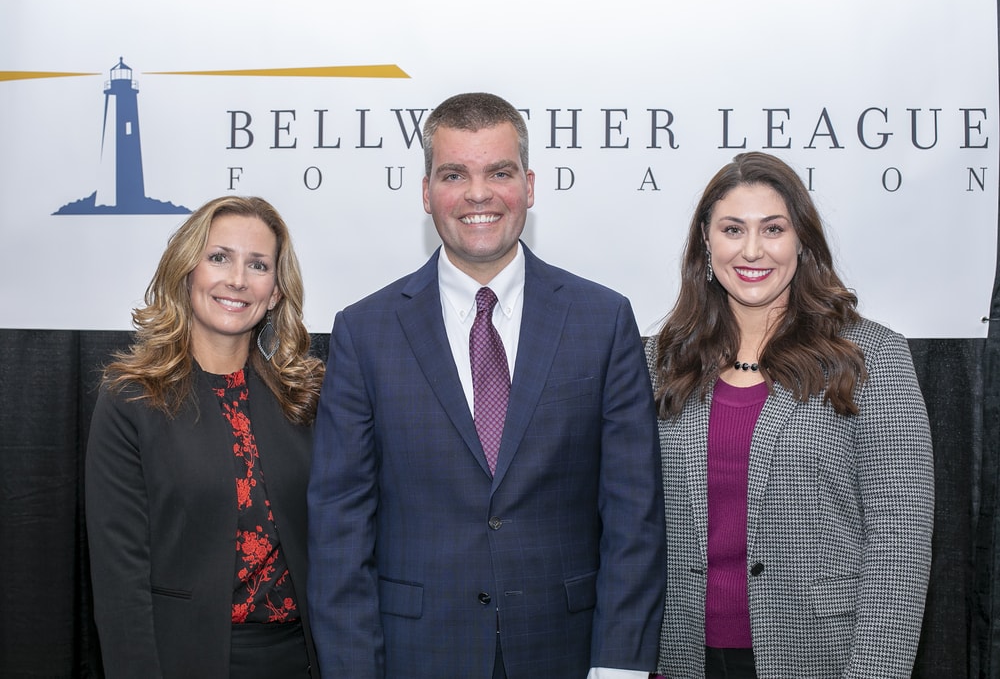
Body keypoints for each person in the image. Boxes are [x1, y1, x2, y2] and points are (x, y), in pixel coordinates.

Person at [307, 92, 666, 679]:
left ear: (528, 184)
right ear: (426, 192)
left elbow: (634, 515)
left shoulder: (602, 320)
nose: (478, 194)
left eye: (498, 172)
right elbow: (339, 529)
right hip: (415, 657)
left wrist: (620, 667)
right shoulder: (364, 332)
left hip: (567, 654)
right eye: (455, 174)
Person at [646, 152, 934, 678]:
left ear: (801, 241)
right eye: (733, 229)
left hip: (819, 654)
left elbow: (900, 545)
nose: (752, 250)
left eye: (772, 229)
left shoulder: (872, 357)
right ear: (706, 244)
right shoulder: (660, 362)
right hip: (677, 655)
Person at [86, 196, 325, 678]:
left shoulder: (305, 398)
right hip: (183, 659)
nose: (237, 279)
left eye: (258, 264)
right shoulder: (131, 399)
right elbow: (119, 583)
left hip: (300, 660)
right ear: (187, 271)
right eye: (219, 257)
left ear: (276, 291)